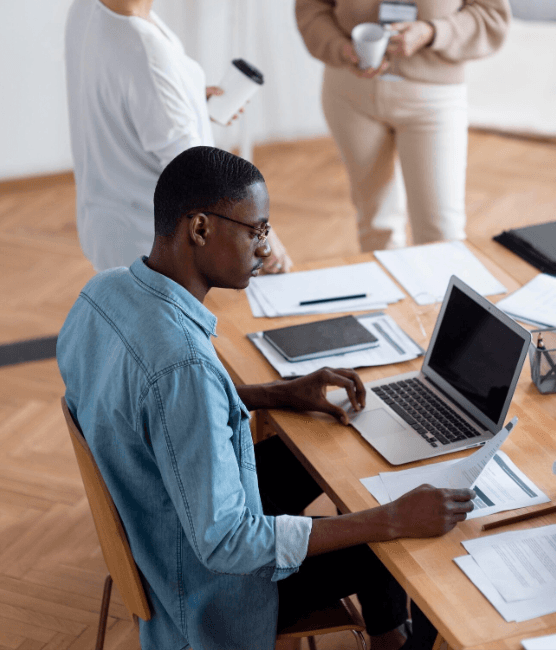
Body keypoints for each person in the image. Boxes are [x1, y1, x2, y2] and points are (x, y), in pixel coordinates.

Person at [57, 145, 475, 650]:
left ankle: (387, 632)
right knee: (393, 540)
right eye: (256, 230)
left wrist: (274, 393)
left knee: (331, 453)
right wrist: (391, 520)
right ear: (200, 229)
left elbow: (149, 403)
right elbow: (229, 543)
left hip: (161, 518)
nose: (265, 248)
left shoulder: (103, 292)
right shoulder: (183, 367)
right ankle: (397, 637)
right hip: (212, 593)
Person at [65, 0, 291, 274]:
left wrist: (187, 100)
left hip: (102, 219)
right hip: (149, 241)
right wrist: (264, 239)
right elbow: (198, 173)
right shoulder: (147, 55)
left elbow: (118, 90)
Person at [295, 0, 510, 251]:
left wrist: (432, 32)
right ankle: (389, 314)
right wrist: (342, 49)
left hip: (432, 100)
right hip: (351, 96)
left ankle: (443, 315)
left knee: (441, 235)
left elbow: (493, 16)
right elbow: (310, 3)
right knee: (375, 229)